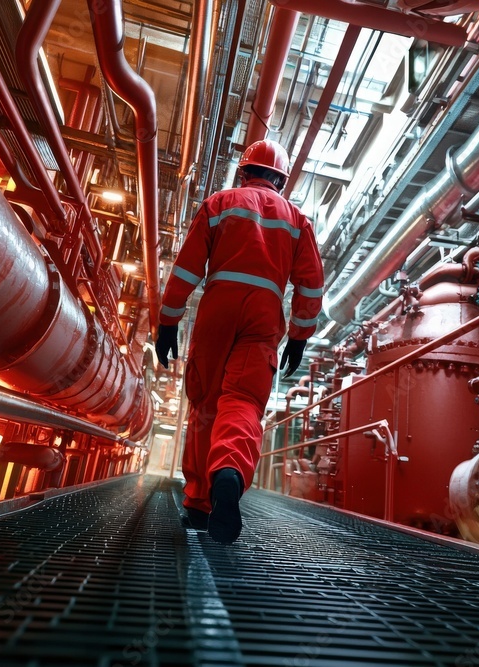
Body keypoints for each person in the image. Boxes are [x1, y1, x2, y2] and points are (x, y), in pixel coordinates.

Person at [155, 139, 324, 544]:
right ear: (281, 181)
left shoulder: (219, 203)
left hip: (218, 307)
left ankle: (198, 505)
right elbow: (312, 286)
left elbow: (186, 269)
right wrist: (299, 336)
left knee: (205, 405)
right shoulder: (298, 221)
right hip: (264, 313)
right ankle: (228, 472)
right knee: (243, 402)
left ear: (244, 172)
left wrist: (168, 322)